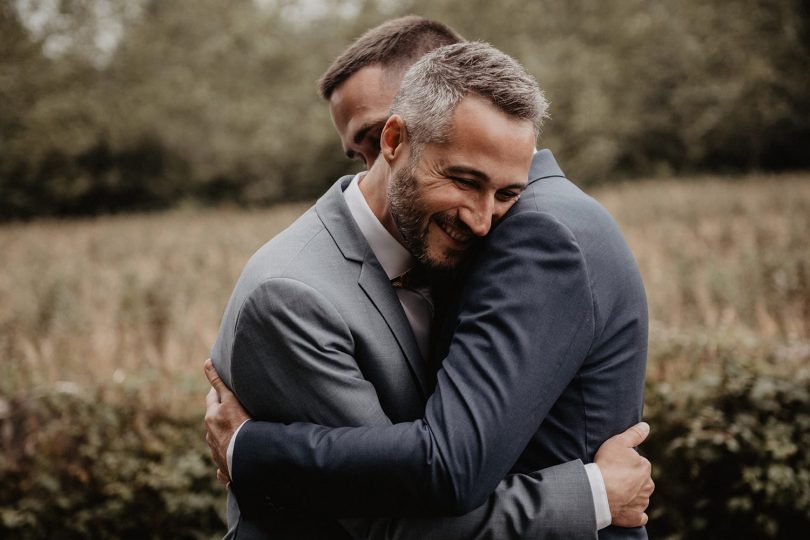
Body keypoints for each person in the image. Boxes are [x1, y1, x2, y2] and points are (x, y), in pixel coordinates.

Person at [207, 18, 652, 540]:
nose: (484, 220)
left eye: (506, 192)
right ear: (395, 139)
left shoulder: (488, 244)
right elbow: (397, 523)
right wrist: (595, 494)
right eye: (463, 181)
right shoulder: (291, 298)